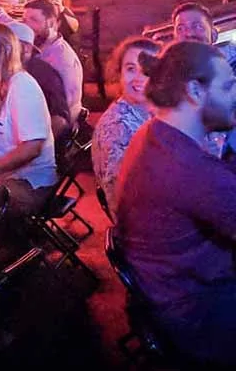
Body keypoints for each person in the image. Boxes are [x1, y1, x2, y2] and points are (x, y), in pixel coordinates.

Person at [116, 41, 236, 366]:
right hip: (197, 315)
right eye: (228, 86)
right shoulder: (188, 168)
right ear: (195, 91)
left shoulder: (154, 135)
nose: (235, 95)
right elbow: (212, 188)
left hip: (165, 295)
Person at [0, 24, 56, 217]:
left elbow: (32, 147)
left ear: (6, 50)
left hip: (31, 184)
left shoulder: (21, 86)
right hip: (7, 177)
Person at [92, 37, 160, 213]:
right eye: (131, 69)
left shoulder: (149, 110)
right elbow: (123, 200)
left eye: (147, 71)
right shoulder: (118, 126)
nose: (139, 78)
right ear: (119, 73)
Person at [8, 21, 71, 138]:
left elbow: (60, 120)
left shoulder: (43, 74)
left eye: (8, 45)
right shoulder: (4, 70)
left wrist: (35, 145)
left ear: (26, 49)